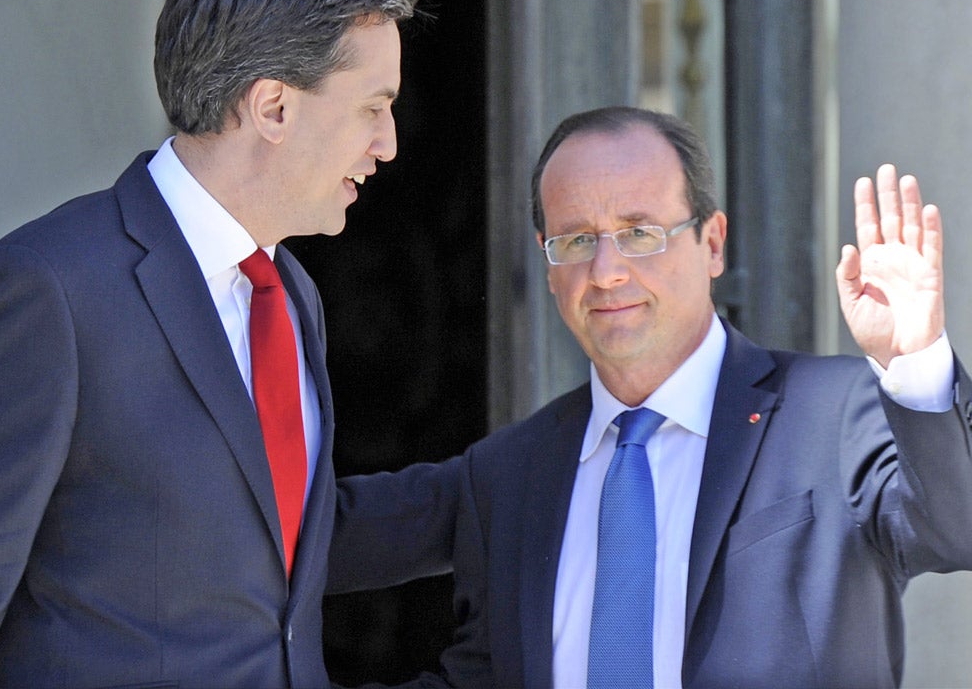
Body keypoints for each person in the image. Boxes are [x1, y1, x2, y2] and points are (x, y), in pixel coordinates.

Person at [0, 0, 450, 686]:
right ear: (274, 108)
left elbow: (273, 538)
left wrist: (517, 487)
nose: (387, 144)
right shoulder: (49, 291)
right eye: (371, 107)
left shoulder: (289, 293)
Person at [330, 106, 972, 688]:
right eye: (577, 241)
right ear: (549, 267)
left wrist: (914, 360)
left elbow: (954, 529)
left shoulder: (833, 412)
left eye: (640, 233)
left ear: (712, 243)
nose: (606, 272)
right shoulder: (508, 477)